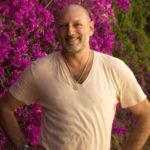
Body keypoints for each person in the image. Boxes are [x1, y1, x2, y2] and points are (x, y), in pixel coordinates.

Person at [0, 4, 150, 150]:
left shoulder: (114, 69)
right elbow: (4, 107)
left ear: (91, 28)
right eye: (64, 26)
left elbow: (146, 113)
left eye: (77, 24)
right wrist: (23, 146)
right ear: (57, 31)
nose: (70, 32)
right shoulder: (40, 70)